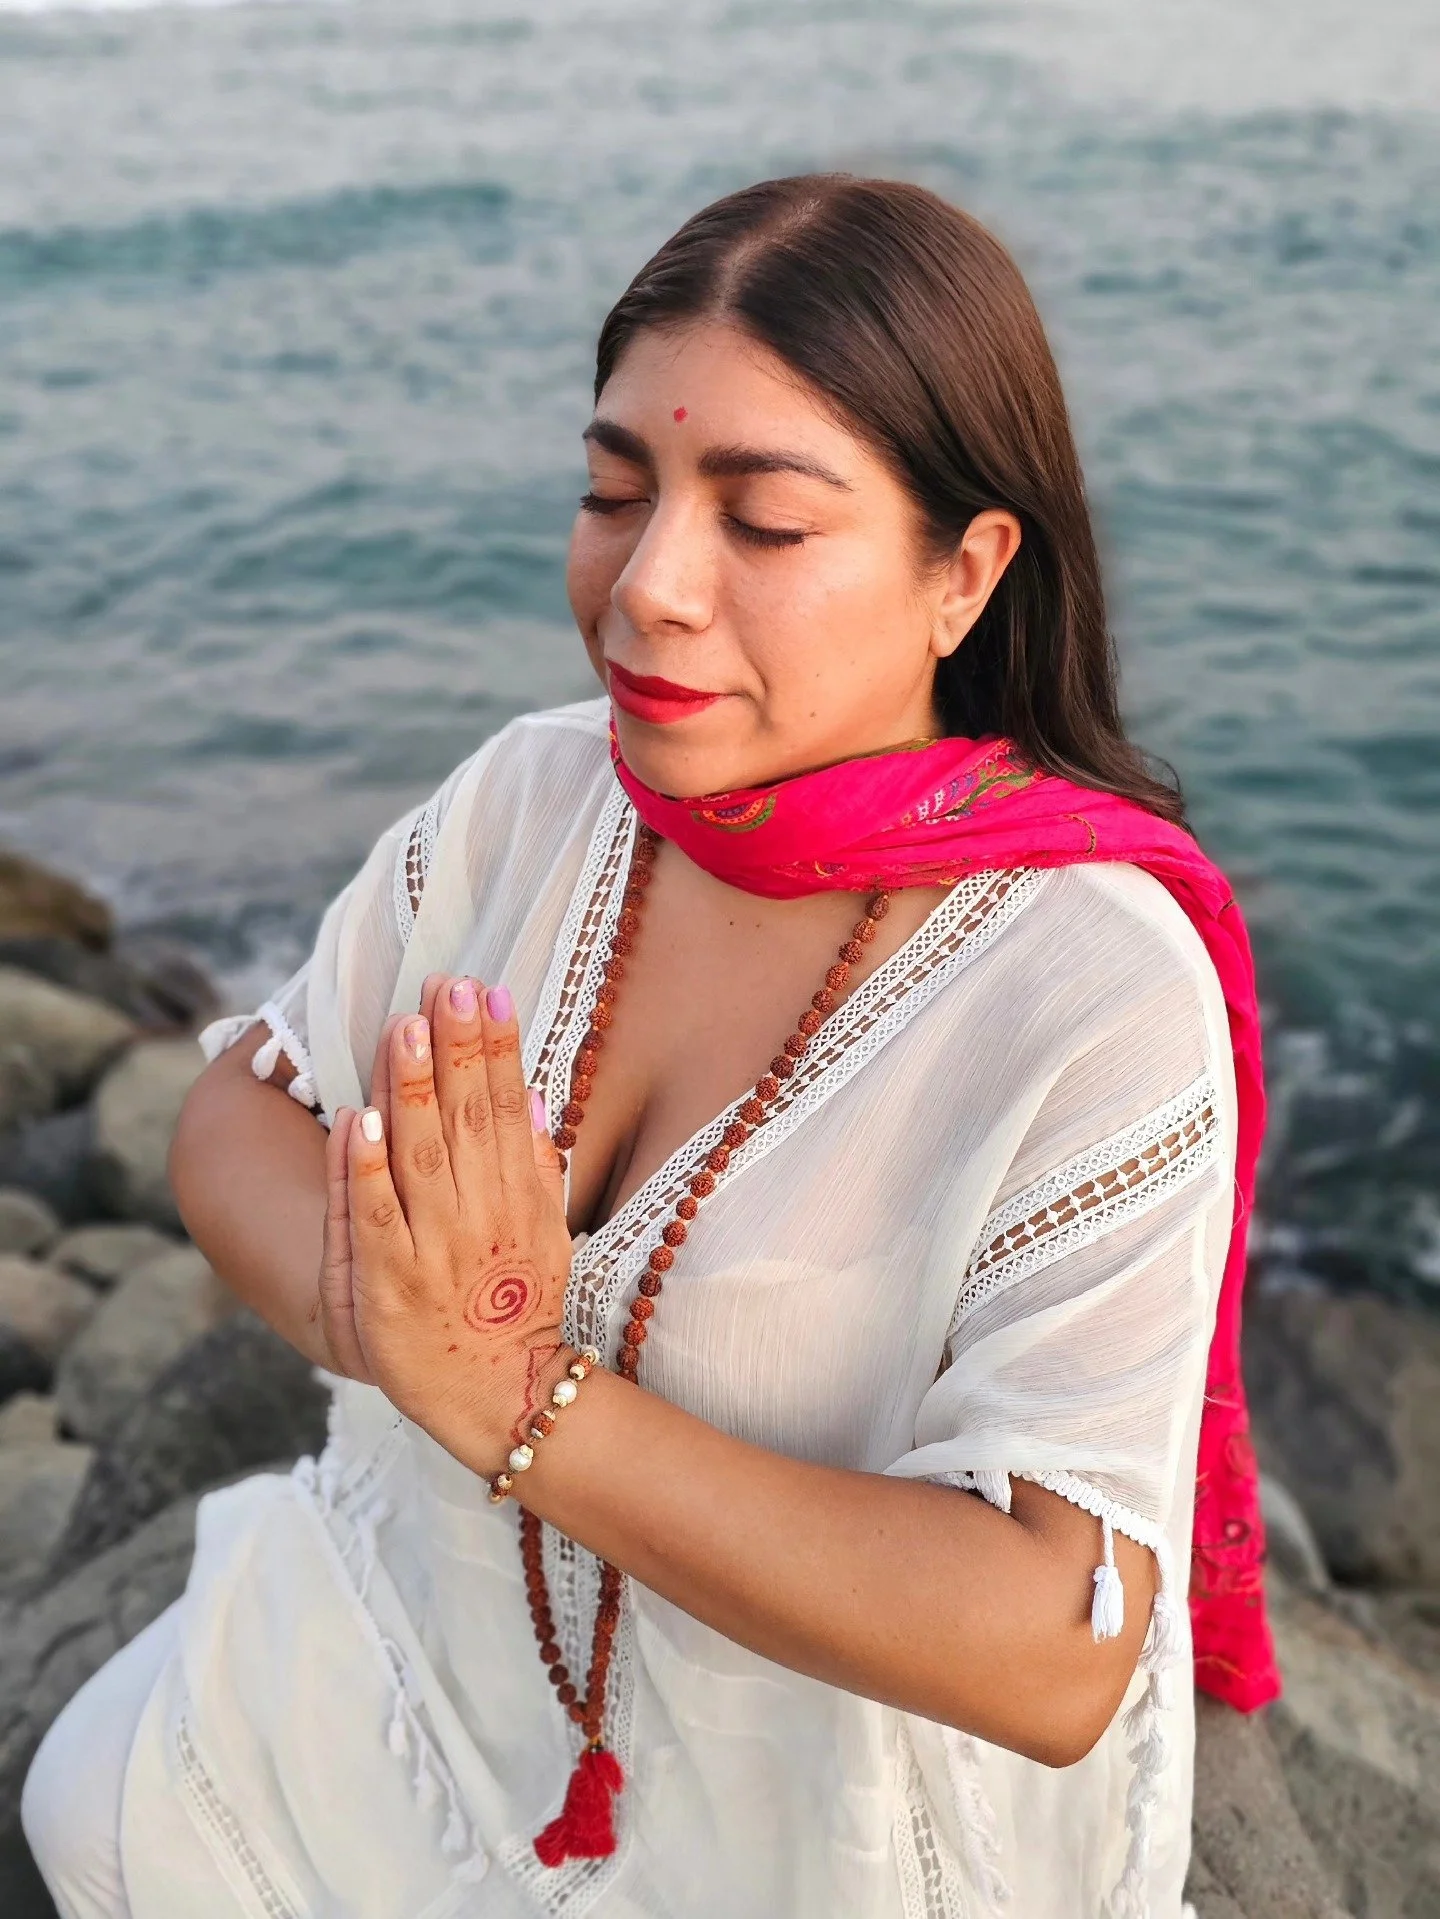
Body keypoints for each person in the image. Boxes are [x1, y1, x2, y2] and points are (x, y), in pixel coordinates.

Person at [23, 173, 1278, 1919]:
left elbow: (1049, 1646)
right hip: (411, 1658)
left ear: (965, 572)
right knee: (95, 1798)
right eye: (617, 491)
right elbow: (245, 1098)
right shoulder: (539, 797)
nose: (650, 588)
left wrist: (527, 1402)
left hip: (807, 1823)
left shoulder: (1088, 981)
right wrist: (394, 1323)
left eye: (761, 522)